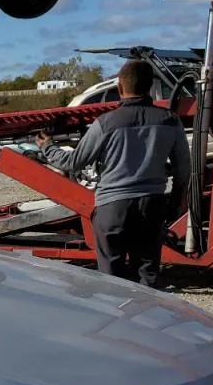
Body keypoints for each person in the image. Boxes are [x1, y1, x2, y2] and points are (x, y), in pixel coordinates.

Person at [37, 59, 190, 289]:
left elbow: (74, 162)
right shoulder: (170, 121)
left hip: (112, 208)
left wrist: (46, 146)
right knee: (147, 277)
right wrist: (177, 201)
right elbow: (183, 168)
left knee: (111, 281)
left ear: (119, 87)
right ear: (149, 86)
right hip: (151, 206)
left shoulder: (105, 123)